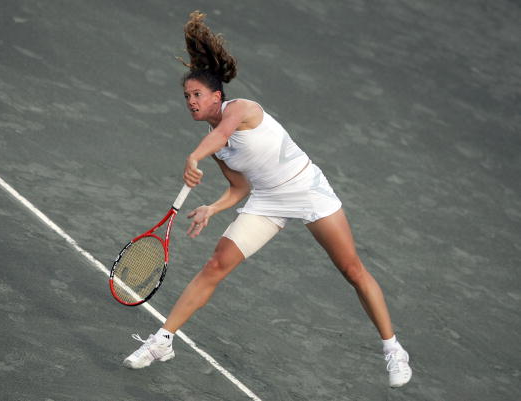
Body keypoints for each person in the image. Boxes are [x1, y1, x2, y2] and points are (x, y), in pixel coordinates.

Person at [123, 11, 412, 388]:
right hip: (269, 201)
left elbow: (222, 133)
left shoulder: (241, 110)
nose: (191, 102)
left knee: (352, 270)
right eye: (186, 97)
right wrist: (213, 206)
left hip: (308, 190)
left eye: (196, 95)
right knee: (216, 265)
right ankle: (163, 339)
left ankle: (393, 349)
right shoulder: (218, 148)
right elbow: (241, 189)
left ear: (217, 95)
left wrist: (192, 157)